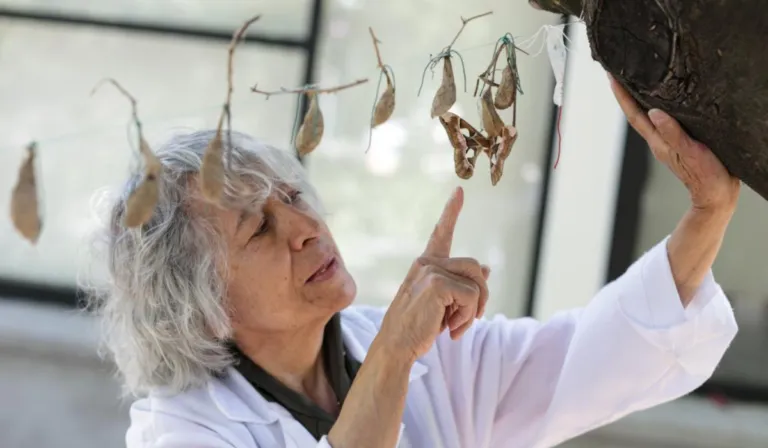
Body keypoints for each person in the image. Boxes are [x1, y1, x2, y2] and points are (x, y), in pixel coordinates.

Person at [88, 77, 739, 448]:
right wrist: (395, 355)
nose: (307, 228)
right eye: (259, 229)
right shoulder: (179, 435)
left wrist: (707, 213)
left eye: (291, 197)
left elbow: (588, 357)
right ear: (202, 310)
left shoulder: (431, 354)